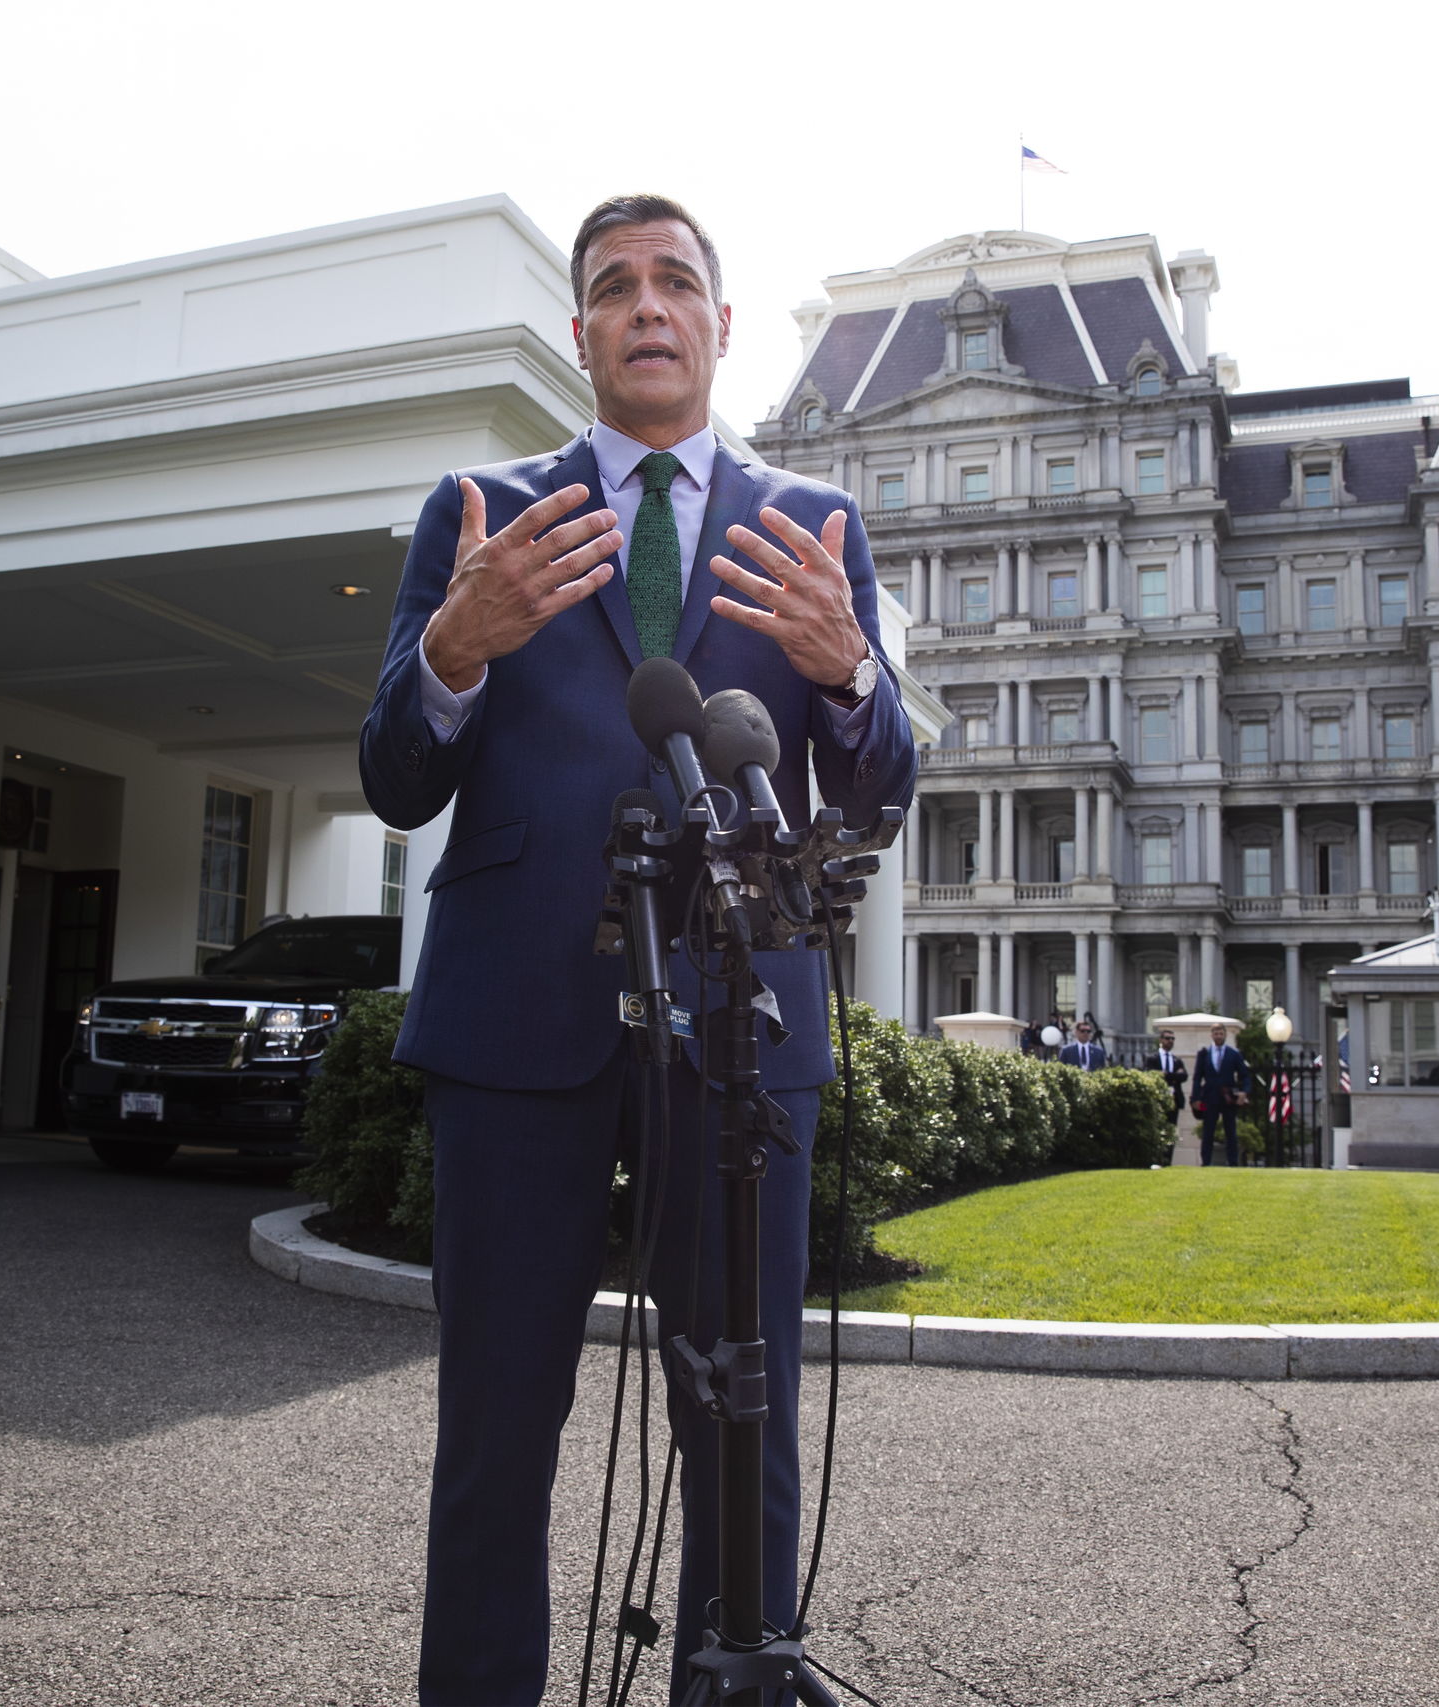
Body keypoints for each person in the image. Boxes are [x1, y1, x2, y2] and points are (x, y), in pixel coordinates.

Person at [358, 193, 918, 1706]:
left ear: (721, 326)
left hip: (742, 1027)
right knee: (494, 1430)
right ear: (582, 331)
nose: (648, 306)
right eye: (616, 286)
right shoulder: (481, 514)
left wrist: (849, 674)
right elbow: (395, 777)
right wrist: (454, 648)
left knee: (742, 1425)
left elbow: (879, 787)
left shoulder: (813, 527)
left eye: (677, 282)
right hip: (513, 1020)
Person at [1192, 1021, 1253, 1167]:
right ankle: (1206, 1162)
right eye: (1216, 1033)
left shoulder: (1234, 1054)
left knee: (1230, 1130)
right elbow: (1197, 1077)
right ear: (1211, 1035)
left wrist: (1244, 1092)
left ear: (1225, 1035)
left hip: (1228, 1098)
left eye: (1221, 1033)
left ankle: (1233, 1162)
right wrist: (1196, 1098)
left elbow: (1245, 1075)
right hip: (1209, 1098)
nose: (1218, 1036)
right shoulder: (1204, 1054)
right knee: (1208, 1130)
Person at [1146, 1028, 1188, 1120]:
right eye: (1167, 1038)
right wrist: (1175, 1076)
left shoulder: (1177, 1060)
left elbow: (1184, 1076)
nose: (1170, 1041)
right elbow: (1151, 1074)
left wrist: (1166, 1074)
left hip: (1174, 1098)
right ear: (1161, 1040)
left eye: (1172, 1039)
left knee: (1172, 1124)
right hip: (1158, 1097)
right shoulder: (1152, 1058)